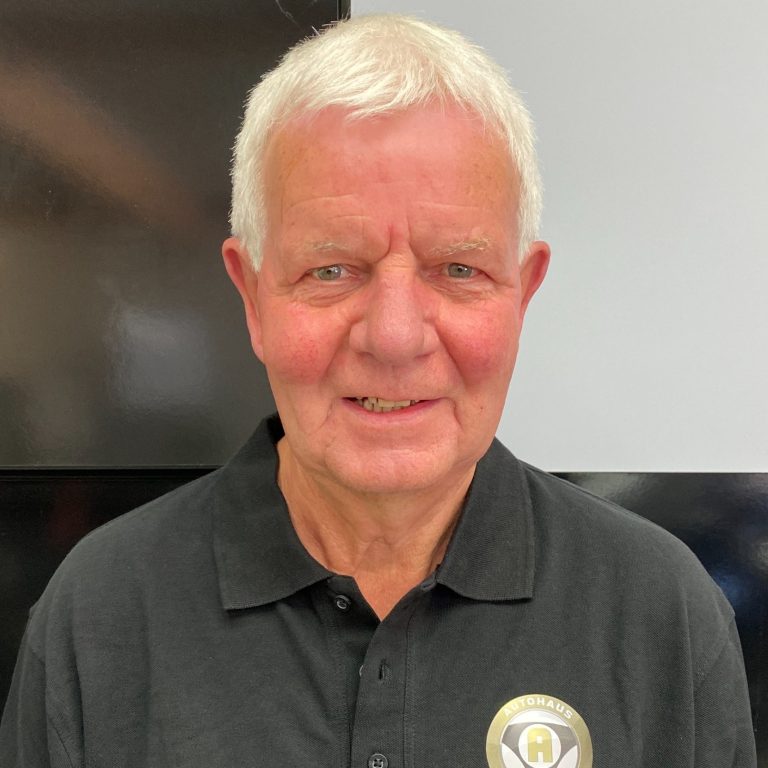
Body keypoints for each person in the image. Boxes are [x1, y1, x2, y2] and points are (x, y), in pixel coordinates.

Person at [0, 14, 756, 768]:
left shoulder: (663, 615)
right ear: (253, 297)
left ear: (522, 295)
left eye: (458, 269)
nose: (395, 337)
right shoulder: (98, 617)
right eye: (331, 270)